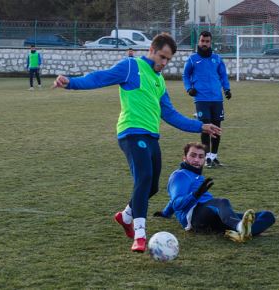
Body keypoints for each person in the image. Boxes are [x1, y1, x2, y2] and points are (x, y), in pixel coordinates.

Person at [53, 33, 222, 253]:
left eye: (168, 60)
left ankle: (125, 217)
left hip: (151, 136)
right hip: (131, 133)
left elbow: (170, 114)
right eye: (162, 57)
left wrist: (200, 126)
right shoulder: (131, 67)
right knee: (143, 178)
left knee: (151, 187)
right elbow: (100, 77)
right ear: (151, 50)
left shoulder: (159, 81)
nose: (164, 63)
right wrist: (71, 83)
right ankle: (140, 234)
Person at [153, 142, 275, 242]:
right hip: (195, 217)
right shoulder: (180, 175)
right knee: (222, 202)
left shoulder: (195, 175)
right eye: (193, 155)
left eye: (201, 157)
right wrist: (195, 195)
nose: (197, 160)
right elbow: (176, 202)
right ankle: (240, 227)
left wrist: (166, 213)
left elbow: (172, 200)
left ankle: (243, 232)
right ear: (184, 157)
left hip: (210, 215)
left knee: (267, 216)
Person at [182, 31, 231, 168]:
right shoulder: (192, 59)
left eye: (207, 41)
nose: (204, 44)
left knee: (216, 128)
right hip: (201, 98)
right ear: (199, 42)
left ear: (211, 43)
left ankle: (213, 157)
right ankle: (206, 158)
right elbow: (185, 75)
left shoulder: (217, 58)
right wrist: (189, 88)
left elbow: (223, 76)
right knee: (205, 128)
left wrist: (227, 89)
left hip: (216, 98)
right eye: (202, 41)